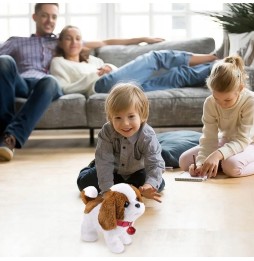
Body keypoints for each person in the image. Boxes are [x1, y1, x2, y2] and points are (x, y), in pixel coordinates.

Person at [0, 4, 165, 162]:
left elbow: (105, 43)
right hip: (22, 83)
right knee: (5, 61)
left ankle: (10, 138)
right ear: (35, 17)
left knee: (50, 80)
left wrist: (143, 38)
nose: (50, 20)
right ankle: (3, 132)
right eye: (44, 15)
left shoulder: (61, 41)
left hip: (48, 86)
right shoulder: (16, 41)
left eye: (54, 16)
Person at [50, 25, 218, 97]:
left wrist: (109, 67)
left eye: (78, 38)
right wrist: (93, 76)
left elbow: (116, 72)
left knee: (176, 76)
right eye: (68, 39)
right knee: (154, 58)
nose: (74, 43)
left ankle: (220, 67)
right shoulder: (59, 62)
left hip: (121, 88)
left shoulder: (93, 60)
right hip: (100, 87)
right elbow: (63, 89)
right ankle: (214, 56)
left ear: (82, 42)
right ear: (61, 42)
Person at [77, 83, 165, 203]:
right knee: (84, 183)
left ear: (142, 115)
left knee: (158, 184)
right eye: (118, 118)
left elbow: (155, 163)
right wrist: (107, 191)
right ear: (110, 118)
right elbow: (104, 163)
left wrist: (149, 186)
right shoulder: (107, 131)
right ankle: (93, 166)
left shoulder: (147, 135)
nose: (125, 124)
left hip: (137, 170)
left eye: (131, 116)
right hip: (112, 169)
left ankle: (125, 186)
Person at [179, 55, 254, 179]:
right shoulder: (210, 102)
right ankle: (218, 164)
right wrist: (200, 163)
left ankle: (222, 163)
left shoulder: (250, 101)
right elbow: (209, 138)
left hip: (249, 142)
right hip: (227, 140)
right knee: (184, 161)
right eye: (216, 98)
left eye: (227, 100)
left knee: (232, 167)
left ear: (240, 89)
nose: (221, 104)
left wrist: (217, 155)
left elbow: (242, 140)